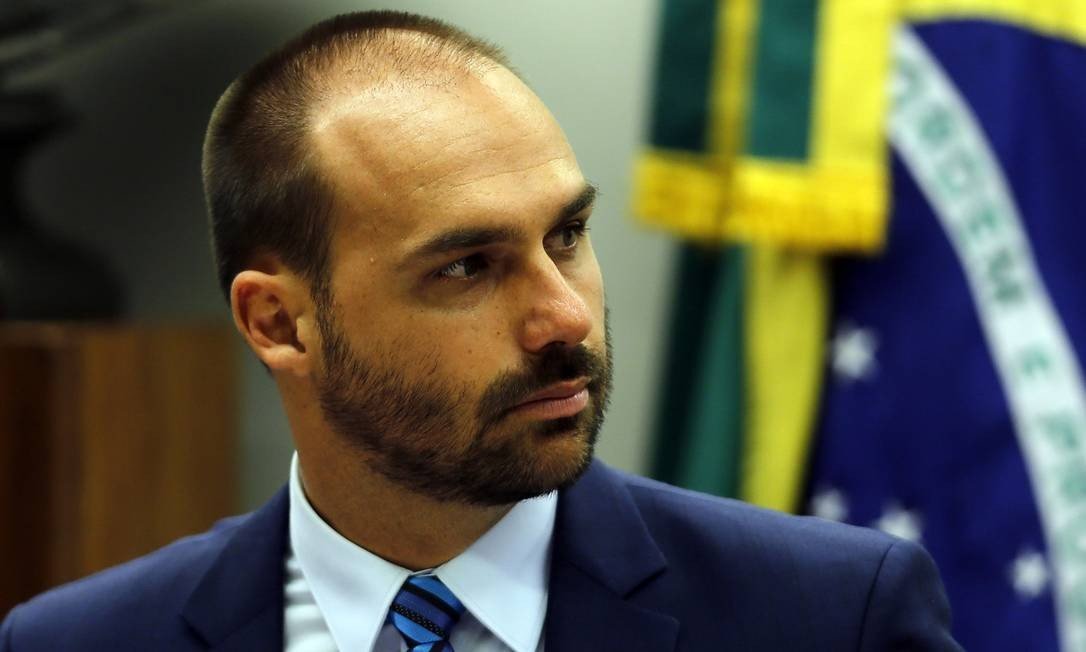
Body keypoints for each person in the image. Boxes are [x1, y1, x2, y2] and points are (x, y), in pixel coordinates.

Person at [1, 10, 962, 651]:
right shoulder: (77, 644)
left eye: (567, 235)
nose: (566, 316)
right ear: (280, 322)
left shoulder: (831, 618)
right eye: (468, 266)